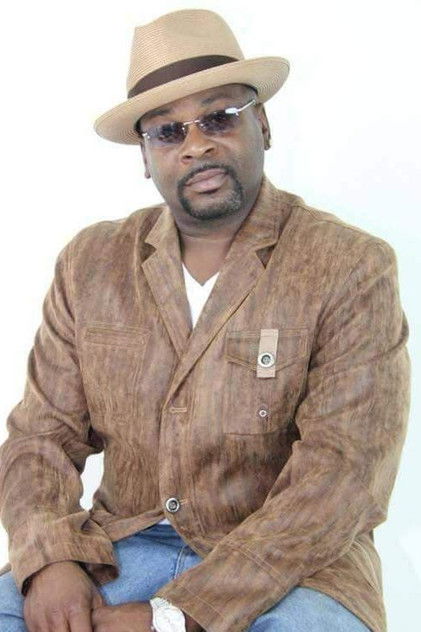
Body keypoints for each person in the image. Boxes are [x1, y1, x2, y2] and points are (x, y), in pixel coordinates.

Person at [0, 8, 411, 632]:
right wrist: (50, 559)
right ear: (146, 157)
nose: (196, 144)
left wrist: (177, 616)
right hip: (119, 552)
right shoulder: (91, 263)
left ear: (262, 124)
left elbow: (345, 473)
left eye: (219, 117)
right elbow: (40, 437)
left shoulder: (349, 265)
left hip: (292, 571)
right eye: (167, 131)